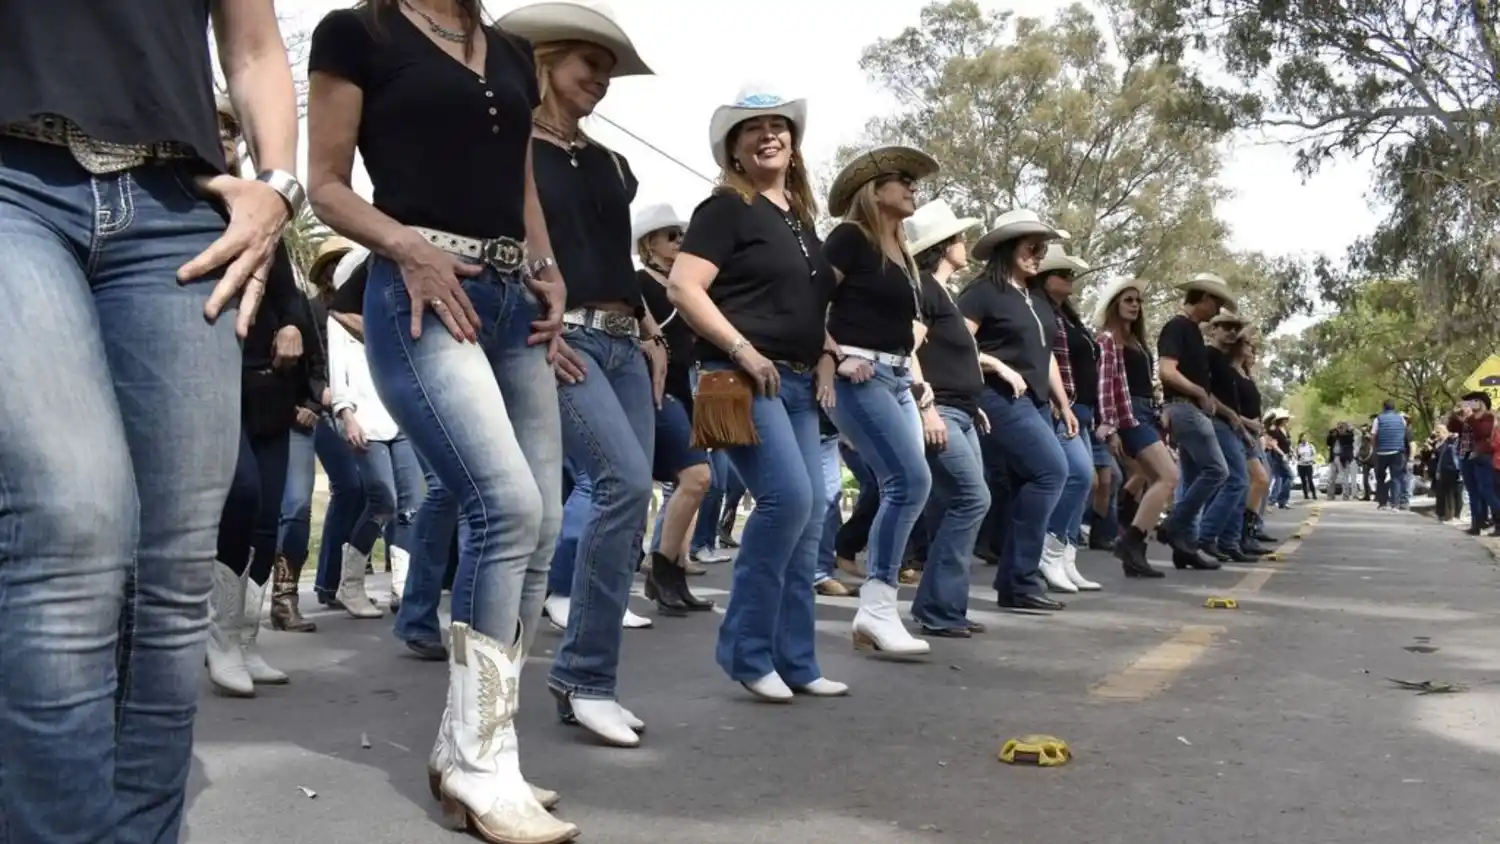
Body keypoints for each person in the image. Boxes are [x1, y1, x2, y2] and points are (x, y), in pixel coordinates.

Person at [0, 2, 298, 840]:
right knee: (72, 524)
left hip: (177, 204)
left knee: (172, 577)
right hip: (12, 185)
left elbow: (252, 44)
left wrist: (280, 188)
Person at [307, 0, 576, 838]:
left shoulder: (511, 48)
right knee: (508, 506)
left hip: (513, 300)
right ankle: (473, 761)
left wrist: (548, 267)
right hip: (423, 291)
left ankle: (488, 750)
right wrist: (409, 250)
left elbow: (521, 182)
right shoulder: (357, 31)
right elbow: (324, 185)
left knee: (544, 521)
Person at [499, 1, 663, 749]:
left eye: (608, 70)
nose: (601, 79)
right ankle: (581, 677)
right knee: (619, 485)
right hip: (562, 338)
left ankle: (594, 676)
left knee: (631, 498)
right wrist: (535, 323)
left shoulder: (610, 162)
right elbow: (508, 242)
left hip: (629, 343)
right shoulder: (508, 146)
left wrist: (652, 330)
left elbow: (612, 253)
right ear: (547, 64)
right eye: (588, 64)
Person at [667, 83, 847, 700]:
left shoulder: (799, 222)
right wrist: (742, 348)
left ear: (794, 146)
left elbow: (806, 304)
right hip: (730, 375)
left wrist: (824, 355)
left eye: (779, 126)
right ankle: (747, 652)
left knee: (808, 511)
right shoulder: (724, 209)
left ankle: (797, 659)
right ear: (734, 150)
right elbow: (683, 288)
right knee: (788, 502)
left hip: (794, 380)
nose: (769, 134)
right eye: (753, 128)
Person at [822, 145, 941, 655]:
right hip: (859, 375)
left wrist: (916, 379)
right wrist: (834, 355)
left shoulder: (902, 255)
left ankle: (878, 609)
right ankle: (875, 609)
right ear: (874, 190)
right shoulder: (851, 238)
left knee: (912, 484)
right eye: (904, 179)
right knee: (908, 481)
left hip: (895, 378)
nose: (914, 187)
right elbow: (808, 300)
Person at [957, 210, 1074, 613]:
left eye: (1044, 248)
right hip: (998, 397)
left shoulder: (1036, 297)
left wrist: (1062, 402)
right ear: (1009, 247)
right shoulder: (981, 292)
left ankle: (1014, 582)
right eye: (1032, 247)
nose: (1040, 255)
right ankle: (1022, 578)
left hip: (1038, 402)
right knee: (1052, 471)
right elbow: (955, 343)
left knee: (1035, 480)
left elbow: (1047, 356)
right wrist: (997, 366)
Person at [905, 199, 992, 635]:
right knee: (973, 499)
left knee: (950, 506)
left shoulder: (946, 294)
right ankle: (939, 608)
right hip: (940, 413)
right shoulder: (922, 286)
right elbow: (908, 349)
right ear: (942, 247)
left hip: (962, 413)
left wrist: (972, 403)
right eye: (959, 238)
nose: (965, 243)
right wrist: (927, 408)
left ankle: (943, 608)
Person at [636, 202, 717, 611]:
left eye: (681, 235)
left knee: (697, 481)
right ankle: (661, 569)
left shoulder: (687, 286)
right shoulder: (640, 283)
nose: (679, 242)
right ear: (649, 243)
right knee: (696, 477)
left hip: (686, 388)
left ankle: (670, 573)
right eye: (671, 236)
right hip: (655, 389)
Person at [1033, 244, 1105, 592]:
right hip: (1064, 406)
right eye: (1063, 274)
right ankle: (1049, 550)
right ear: (1045, 280)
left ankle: (1066, 558)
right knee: (1076, 475)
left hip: (1085, 409)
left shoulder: (1070, 317)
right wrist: (1058, 402)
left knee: (1085, 481)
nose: (1070, 279)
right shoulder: (1043, 312)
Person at [1092, 277, 1176, 578]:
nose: (1135, 306)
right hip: (1129, 416)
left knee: (1153, 478)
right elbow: (1104, 386)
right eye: (1128, 300)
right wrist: (1109, 426)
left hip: (1144, 413)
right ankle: (1129, 542)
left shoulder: (1137, 342)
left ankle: (1132, 550)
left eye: (1138, 301)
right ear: (1115, 304)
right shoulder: (1107, 339)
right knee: (1169, 476)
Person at [1155, 274, 1237, 569]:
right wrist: (1199, 391)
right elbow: (1166, 371)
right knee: (1218, 471)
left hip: (1194, 410)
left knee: (1192, 478)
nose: (1218, 310)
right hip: (1184, 408)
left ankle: (1185, 547)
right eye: (1216, 301)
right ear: (1202, 297)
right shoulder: (1177, 326)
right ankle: (1173, 526)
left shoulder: (1192, 331)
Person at [1371, 399, 1409, 511]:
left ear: (1384, 408)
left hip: (1382, 451)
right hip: (1397, 451)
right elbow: (1404, 433)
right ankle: (1395, 504)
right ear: (1394, 408)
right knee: (1396, 478)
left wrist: (1374, 449)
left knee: (1380, 477)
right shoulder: (1401, 419)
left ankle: (1383, 503)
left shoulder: (1378, 419)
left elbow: (1373, 436)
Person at [1327, 420, 1358, 500]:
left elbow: (1345, 437)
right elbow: (1328, 442)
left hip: (1343, 458)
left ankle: (1345, 495)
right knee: (1331, 478)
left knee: (1344, 478)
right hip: (1334, 457)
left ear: (1345, 427)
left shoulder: (1349, 434)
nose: (1340, 428)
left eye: (1342, 427)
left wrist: (1338, 433)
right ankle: (1330, 495)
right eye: (1339, 427)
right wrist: (1330, 434)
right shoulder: (1334, 435)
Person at [1295, 433, 1318, 500]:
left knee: (1310, 480)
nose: (1304, 439)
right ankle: (1306, 495)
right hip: (1301, 465)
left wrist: (1311, 459)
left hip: (1308, 465)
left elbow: (1314, 454)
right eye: (1303, 438)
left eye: (1305, 437)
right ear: (1300, 438)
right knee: (1303, 481)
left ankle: (1314, 494)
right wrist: (1298, 457)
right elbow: (1296, 455)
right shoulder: (1298, 447)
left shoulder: (1310, 446)